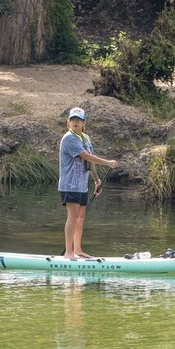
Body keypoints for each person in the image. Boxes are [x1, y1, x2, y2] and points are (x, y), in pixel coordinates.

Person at [58, 107, 118, 259]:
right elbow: (86, 156)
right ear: (68, 123)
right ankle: (68, 253)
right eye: (73, 120)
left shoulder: (86, 138)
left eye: (78, 120)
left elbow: (89, 161)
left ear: (84, 123)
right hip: (69, 185)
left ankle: (77, 250)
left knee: (81, 217)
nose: (75, 123)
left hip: (82, 185)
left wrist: (97, 181)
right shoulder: (69, 138)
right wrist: (108, 162)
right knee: (72, 217)